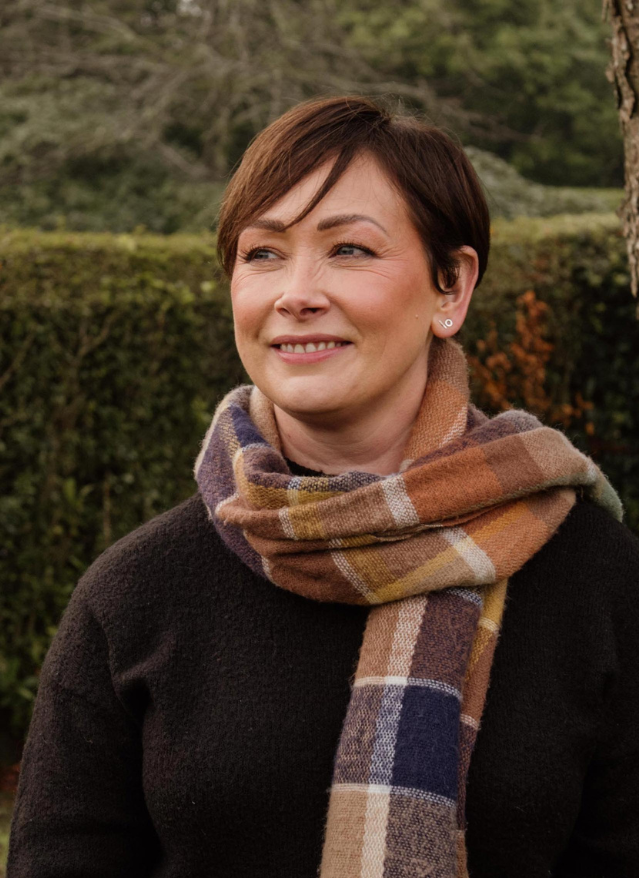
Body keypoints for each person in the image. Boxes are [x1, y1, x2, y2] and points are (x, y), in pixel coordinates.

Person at [7, 96, 639, 878]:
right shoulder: (138, 593)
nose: (294, 292)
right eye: (262, 254)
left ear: (451, 288)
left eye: (347, 250)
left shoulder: (588, 574)